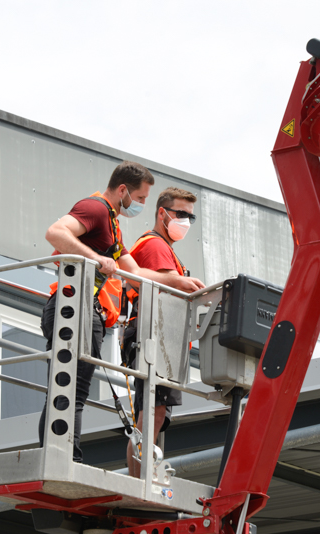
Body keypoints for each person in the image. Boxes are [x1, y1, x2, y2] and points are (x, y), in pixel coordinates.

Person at [39, 161, 204, 463]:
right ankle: (63, 459)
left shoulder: (113, 227)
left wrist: (177, 281)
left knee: (74, 390)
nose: (141, 204)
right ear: (123, 190)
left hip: (85, 309)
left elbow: (136, 274)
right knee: (69, 389)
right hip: (72, 305)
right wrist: (96, 258)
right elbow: (56, 232)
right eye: (140, 198)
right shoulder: (96, 208)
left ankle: (65, 456)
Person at [124, 187, 201, 477]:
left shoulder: (164, 248)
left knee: (155, 415)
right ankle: (139, 481)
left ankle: (142, 477)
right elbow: (173, 287)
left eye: (190, 216)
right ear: (162, 213)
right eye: (180, 213)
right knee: (152, 414)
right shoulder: (155, 246)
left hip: (160, 336)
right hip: (154, 336)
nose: (185, 221)